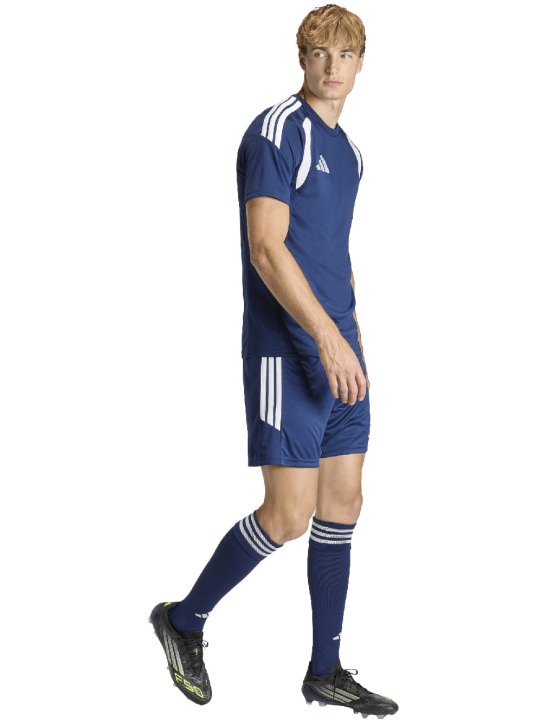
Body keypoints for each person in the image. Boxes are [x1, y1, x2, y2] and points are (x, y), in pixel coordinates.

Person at [149, 4, 398, 716]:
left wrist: (351, 335)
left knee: (343, 504)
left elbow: (334, 251)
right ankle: (182, 619)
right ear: (302, 58)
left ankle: (325, 669)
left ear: (361, 63)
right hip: (286, 353)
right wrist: (324, 337)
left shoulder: (351, 153)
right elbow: (266, 248)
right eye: (320, 53)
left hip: (340, 351)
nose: (332, 66)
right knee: (289, 516)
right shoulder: (275, 131)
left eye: (344, 54)